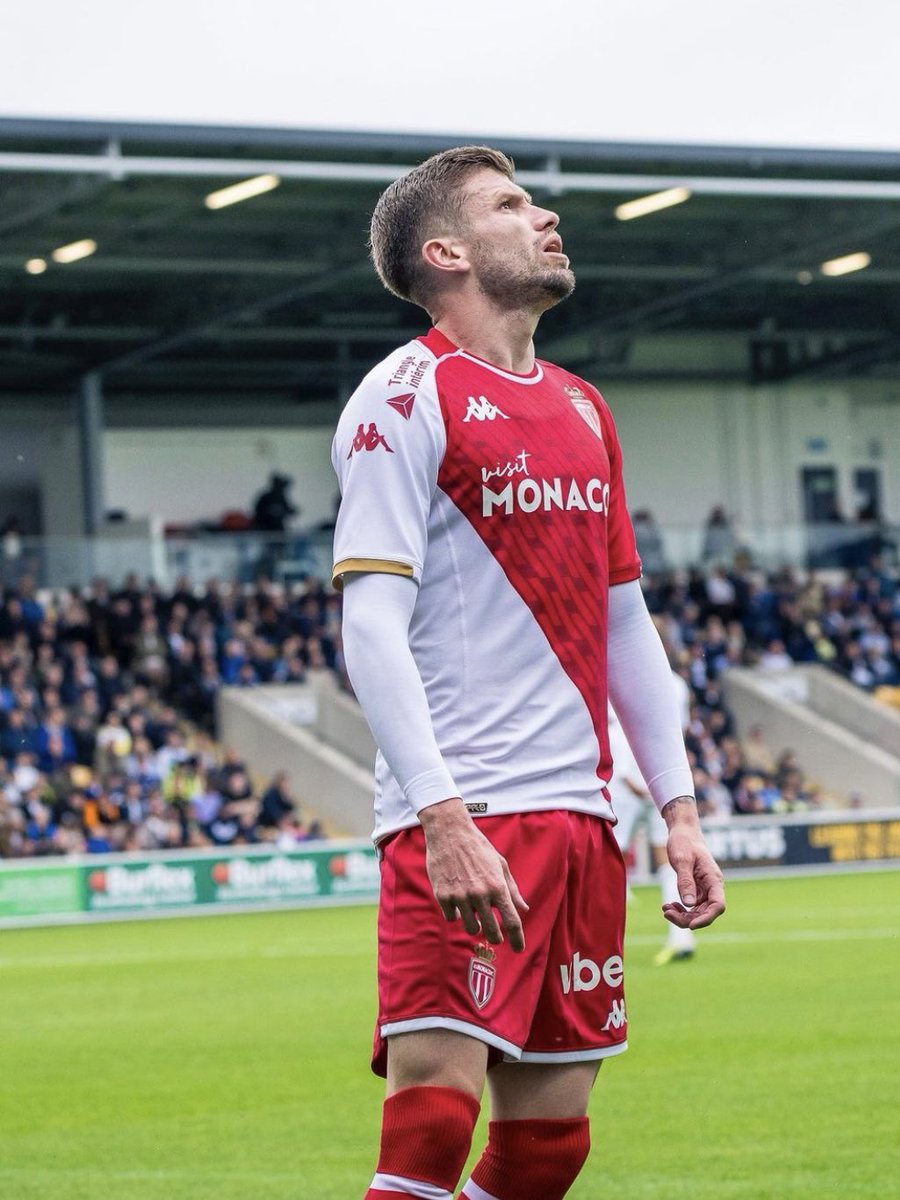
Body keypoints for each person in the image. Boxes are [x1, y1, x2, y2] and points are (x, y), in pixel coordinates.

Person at [331, 146, 725, 1200]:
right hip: (472, 811)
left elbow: (625, 626)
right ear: (446, 251)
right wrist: (439, 815)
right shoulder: (403, 396)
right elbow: (368, 623)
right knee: (428, 1128)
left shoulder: (586, 408)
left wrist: (678, 808)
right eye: (511, 205)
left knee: (551, 1150)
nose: (546, 217)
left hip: (584, 821)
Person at [608, 707, 697, 965]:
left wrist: (646, 795)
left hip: (629, 799)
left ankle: (601, 939)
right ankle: (682, 937)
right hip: (657, 795)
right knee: (669, 863)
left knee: (611, 857)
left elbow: (624, 776)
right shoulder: (655, 724)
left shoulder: (616, 731)